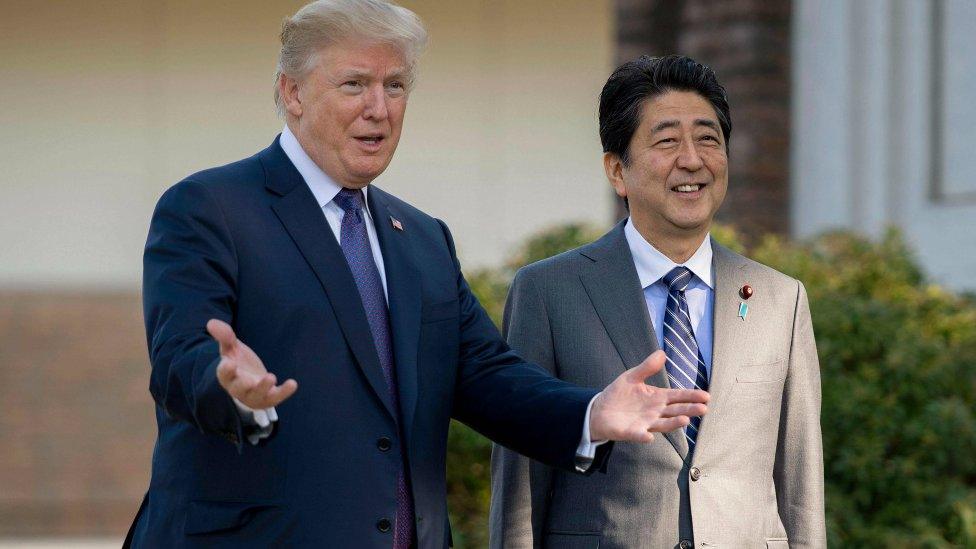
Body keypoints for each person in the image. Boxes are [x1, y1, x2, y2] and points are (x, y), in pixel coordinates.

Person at [125, 3, 710, 547]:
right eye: (354, 83)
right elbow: (182, 357)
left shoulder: (422, 239)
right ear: (292, 92)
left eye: (395, 85)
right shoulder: (210, 207)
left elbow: (483, 373)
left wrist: (588, 414)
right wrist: (227, 386)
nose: (379, 107)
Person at [489, 54, 825, 549]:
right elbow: (521, 487)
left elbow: (800, 489)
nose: (692, 159)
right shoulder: (549, 291)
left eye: (708, 138)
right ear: (617, 171)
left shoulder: (781, 299)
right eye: (667, 141)